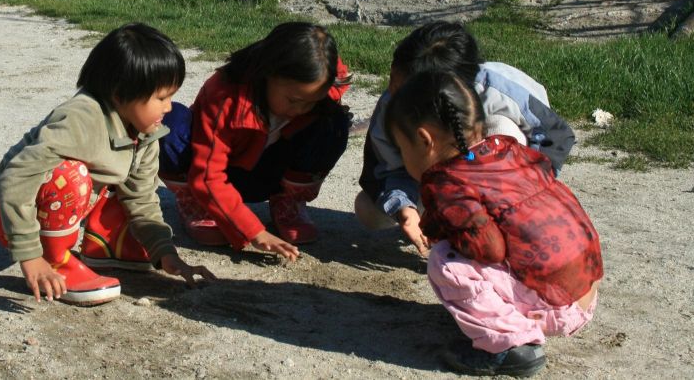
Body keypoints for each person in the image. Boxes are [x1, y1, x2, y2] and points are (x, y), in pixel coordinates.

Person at [384, 70, 601, 376]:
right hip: (583, 290)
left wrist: (441, 229)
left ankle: (510, 348)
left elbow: (489, 249)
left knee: (446, 263)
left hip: (555, 307)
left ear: (424, 140)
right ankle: (506, 318)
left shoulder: (447, 183)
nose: (404, 159)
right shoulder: (504, 149)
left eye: (402, 149)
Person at [0, 23, 215, 306]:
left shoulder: (147, 130)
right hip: (12, 207)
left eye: (171, 97)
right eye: (161, 98)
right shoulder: (81, 119)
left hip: (60, 205)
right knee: (72, 175)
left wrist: (166, 253)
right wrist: (30, 255)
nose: (169, 107)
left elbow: (141, 197)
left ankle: (107, 246)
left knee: (120, 175)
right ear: (120, 94)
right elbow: (16, 177)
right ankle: (55, 261)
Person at [355, 21, 575, 255]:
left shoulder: (500, 90)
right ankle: (449, 220)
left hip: (506, 186)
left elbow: (556, 137)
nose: (391, 91)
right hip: (432, 182)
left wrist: (525, 193)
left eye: (400, 88)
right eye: (392, 80)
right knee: (368, 209)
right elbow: (381, 172)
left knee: (502, 128)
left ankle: (500, 224)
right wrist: (404, 208)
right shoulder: (393, 102)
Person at [159, 22, 352, 261]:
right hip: (221, 174)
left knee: (335, 123)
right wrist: (256, 232)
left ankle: (288, 201)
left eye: (310, 102)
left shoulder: (322, 77)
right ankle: (195, 202)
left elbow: (336, 83)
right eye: (293, 100)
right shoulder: (225, 94)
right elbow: (208, 175)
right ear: (268, 74)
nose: (300, 109)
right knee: (170, 123)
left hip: (270, 174)